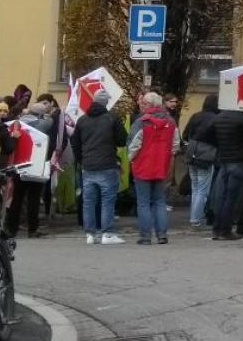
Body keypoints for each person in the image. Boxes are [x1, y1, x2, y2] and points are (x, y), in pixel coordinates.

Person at [69, 90, 128, 245]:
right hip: (107, 164)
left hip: (87, 165)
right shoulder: (112, 118)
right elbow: (122, 140)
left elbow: (75, 142)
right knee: (107, 200)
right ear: (106, 102)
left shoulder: (82, 120)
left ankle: (90, 234)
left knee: (88, 201)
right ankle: (107, 234)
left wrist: (82, 159)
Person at [200, 102, 243, 242]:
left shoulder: (218, 117)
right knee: (232, 198)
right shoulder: (241, 118)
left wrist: (220, 145)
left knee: (221, 197)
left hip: (224, 160)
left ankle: (217, 229)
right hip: (239, 161)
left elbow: (204, 134)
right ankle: (226, 230)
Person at [128, 91, 180, 245]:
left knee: (143, 202)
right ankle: (162, 235)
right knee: (159, 201)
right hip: (162, 166)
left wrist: (131, 160)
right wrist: (168, 157)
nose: (141, 105)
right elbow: (175, 144)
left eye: (143, 103)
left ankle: (145, 236)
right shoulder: (171, 122)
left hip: (143, 166)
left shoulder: (141, 122)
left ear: (149, 105)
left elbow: (133, 146)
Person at [6, 101, 54, 239]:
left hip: (19, 165)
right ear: (41, 114)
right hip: (35, 165)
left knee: (17, 199)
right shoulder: (43, 123)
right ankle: (33, 229)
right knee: (33, 199)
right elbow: (50, 121)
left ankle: (11, 229)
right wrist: (46, 114)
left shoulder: (18, 123)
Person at [182, 94, 219, 229]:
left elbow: (185, 134)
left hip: (192, 153)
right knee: (203, 189)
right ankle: (195, 219)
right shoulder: (216, 119)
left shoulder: (195, 116)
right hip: (206, 155)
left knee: (195, 188)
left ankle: (194, 216)